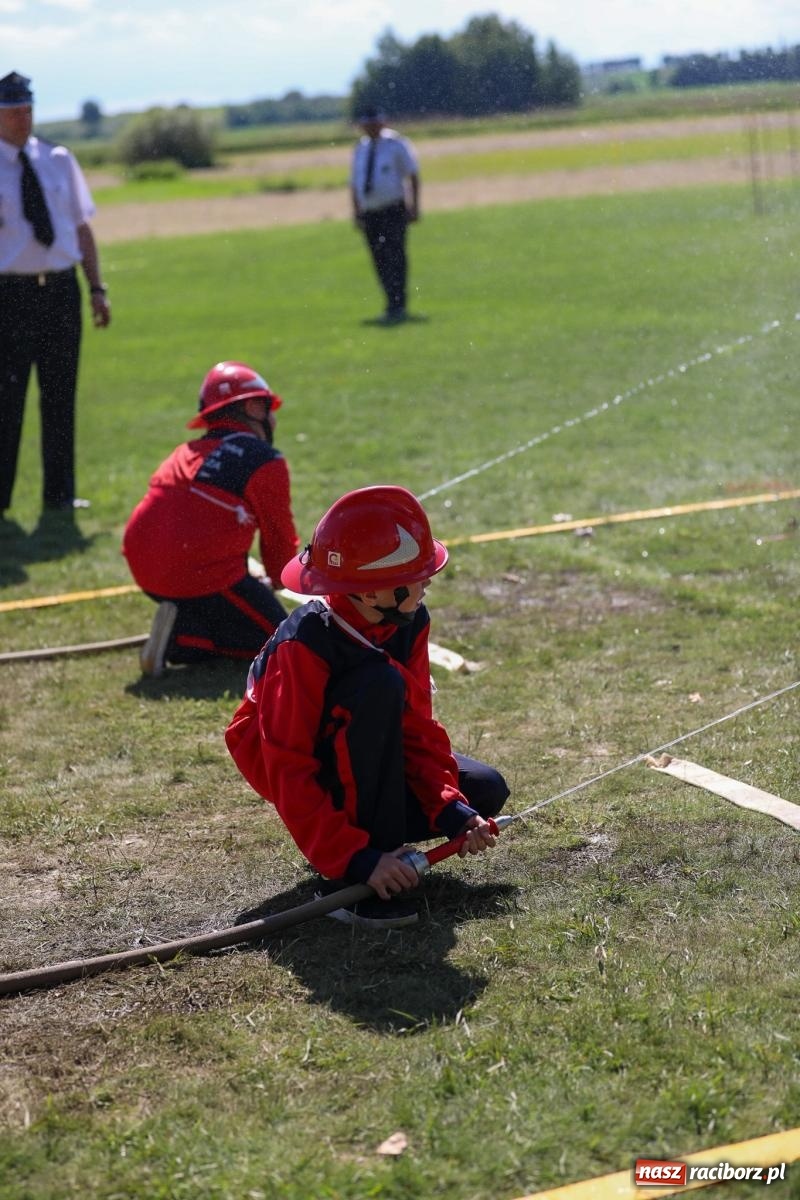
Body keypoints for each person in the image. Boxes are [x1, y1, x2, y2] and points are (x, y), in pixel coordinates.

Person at [225, 485, 509, 929]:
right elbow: (287, 767)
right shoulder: (305, 645)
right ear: (374, 592)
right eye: (416, 575)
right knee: (378, 683)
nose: (428, 582)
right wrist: (356, 859)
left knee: (484, 791)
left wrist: (452, 810)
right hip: (310, 771)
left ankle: (376, 841)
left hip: (362, 751)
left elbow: (417, 728)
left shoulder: (408, 620)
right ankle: (351, 878)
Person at [123, 361, 300, 677]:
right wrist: (276, 581)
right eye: (268, 408)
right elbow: (279, 540)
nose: (273, 418)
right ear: (252, 408)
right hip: (200, 575)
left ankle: (183, 621)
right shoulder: (263, 459)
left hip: (146, 572)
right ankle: (180, 640)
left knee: (224, 608)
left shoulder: (184, 451)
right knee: (285, 643)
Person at [0, 71, 111, 518]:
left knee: (61, 396)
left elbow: (81, 228)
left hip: (62, 290)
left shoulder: (58, 158)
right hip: (10, 295)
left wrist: (96, 288)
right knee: (7, 400)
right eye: (12, 111)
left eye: (27, 109)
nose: (22, 118)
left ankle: (60, 495)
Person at [350, 108, 419, 324]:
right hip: (370, 213)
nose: (371, 128)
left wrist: (414, 205)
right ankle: (390, 301)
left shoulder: (396, 144)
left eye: (374, 123)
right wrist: (357, 211)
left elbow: (412, 175)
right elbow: (355, 183)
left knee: (395, 255)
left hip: (393, 209)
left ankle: (399, 303)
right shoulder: (360, 149)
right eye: (367, 124)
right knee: (379, 258)